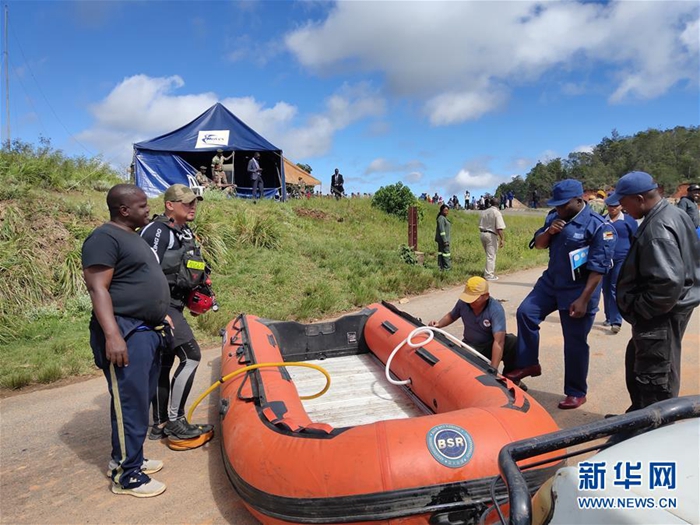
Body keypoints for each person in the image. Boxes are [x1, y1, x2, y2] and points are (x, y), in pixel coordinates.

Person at [82, 184, 170, 497]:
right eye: (143, 206)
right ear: (124, 210)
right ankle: (126, 476)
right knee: (129, 402)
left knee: (140, 399)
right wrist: (113, 334)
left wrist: (161, 314)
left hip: (145, 329)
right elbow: (98, 289)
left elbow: (137, 282)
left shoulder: (132, 236)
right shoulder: (104, 238)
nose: (148, 210)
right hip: (125, 331)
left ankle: (130, 458)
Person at [505, 179, 616, 410]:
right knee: (526, 313)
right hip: (551, 283)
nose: (559, 209)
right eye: (556, 205)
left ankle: (576, 392)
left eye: (563, 205)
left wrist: (584, 299)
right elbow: (538, 245)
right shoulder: (553, 217)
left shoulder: (598, 226)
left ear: (579, 200)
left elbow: (599, 269)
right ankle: (529, 363)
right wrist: (549, 231)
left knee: (574, 342)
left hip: (579, 290)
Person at [606, 171, 700, 412]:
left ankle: (652, 429)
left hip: (660, 315)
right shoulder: (675, 213)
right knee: (640, 360)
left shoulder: (657, 229)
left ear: (639, 198)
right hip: (669, 310)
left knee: (656, 376)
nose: (621, 207)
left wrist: (639, 310)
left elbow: (666, 284)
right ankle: (637, 415)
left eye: (623, 201)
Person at [140, 184, 214, 442]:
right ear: (169, 205)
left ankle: (160, 423)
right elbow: (144, 272)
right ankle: (176, 421)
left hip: (177, 304)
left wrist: (199, 296)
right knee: (191, 355)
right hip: (163, 305)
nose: (193, 206)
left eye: (195, 202)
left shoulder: (184, 231)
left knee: (164, 363)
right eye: (186, 202)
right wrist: (159, 311)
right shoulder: (157, 231)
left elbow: (192, 267)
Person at [429, 277, 517, 375]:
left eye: (475, 299)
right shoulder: (463, 303)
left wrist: (493, 369)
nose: (471, 302)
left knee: (513, 341)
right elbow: (451, 315)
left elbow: (499, 341)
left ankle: (511, 377)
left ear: (486, 296)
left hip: (489, 345)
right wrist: (439, 324)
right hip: (471, 346)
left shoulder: (495, 309)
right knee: (466, 367)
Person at [601, 197, 638, 333]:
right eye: (610, 206)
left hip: (621, 259)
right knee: (604, 288)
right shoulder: (602, 220)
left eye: (615, 206)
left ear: (621, 206)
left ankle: (616, 321)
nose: (612, 208)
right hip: (605, 260)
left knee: (613, 287)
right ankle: (609, 317)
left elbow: (634, 240)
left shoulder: (629, 221)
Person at [479, 197, 506, 281]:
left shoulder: (484, 212)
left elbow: (480, 225)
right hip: (491, 235)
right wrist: (502, 239)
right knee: (491, 256)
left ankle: (488, 272)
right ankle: (489, 275)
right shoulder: (496, 212)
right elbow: (499, 228)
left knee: (488, 255)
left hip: (483, 233)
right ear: (498, 204)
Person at [435, 204, 452, 271]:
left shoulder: (443, 218)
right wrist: (445, 240)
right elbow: (442, 230)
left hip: (443, 240)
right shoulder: (441, 218)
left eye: (447, 210)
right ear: (441, 210)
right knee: (446, 254)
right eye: (445, 210)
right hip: (444, 240)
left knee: (441, 253)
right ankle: (447, 268)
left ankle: (441, 267)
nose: (446, 212)